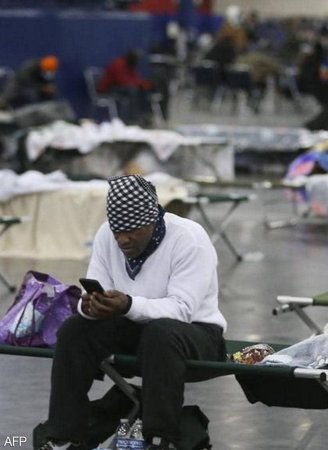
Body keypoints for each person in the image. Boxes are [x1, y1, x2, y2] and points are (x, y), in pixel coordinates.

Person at [38, 175, 227, 450]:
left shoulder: (189, 238)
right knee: (75, 330)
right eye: (117, 230)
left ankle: (160, 438)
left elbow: (181, 309)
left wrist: (127, 304)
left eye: (131, 230)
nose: (122, 239)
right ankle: (65, 434)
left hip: (197, 335)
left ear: (152, 220)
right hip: (138, 330)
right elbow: (94, 290)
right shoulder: (107, 236)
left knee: (161, 332)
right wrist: (90, 307)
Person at [97, 50, 154, 125]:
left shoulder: (130, 65)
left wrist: (144, 84)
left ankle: (144, 115)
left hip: (121, 87)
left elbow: (135, 78)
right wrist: (138, 84)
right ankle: (133, 118)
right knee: (132, 90)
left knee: (142, 89)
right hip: (108, 88)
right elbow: (122, 81)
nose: (137, 62)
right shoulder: (118, 63)